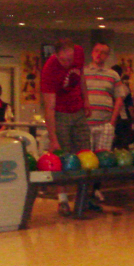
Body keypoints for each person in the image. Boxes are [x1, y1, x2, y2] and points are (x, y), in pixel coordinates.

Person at [40, 38, 91, 217]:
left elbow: (82, 77)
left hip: (77, 110)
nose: (68, 63)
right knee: (62, 156)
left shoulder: (79, 52)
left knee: (85, 152)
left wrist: (86, 101)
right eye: (64, 60)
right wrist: (53, 139)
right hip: (60, 113)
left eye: (70, 59)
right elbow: (49, 108)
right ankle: (62, 200)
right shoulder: (49, 70)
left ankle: (83, 197)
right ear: (56, 56)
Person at [84, 42, 127, 206]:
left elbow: (119, 98)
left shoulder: (112, 75)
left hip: (105, 124)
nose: (99, 54)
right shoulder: (83, 73)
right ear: (92, 53)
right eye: (96, 51)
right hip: (86, 123)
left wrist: (112, 121)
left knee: (102, 158)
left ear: (107, 56)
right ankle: (84, 190)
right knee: (86, 158)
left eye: (103, 52)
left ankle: (96, 188)